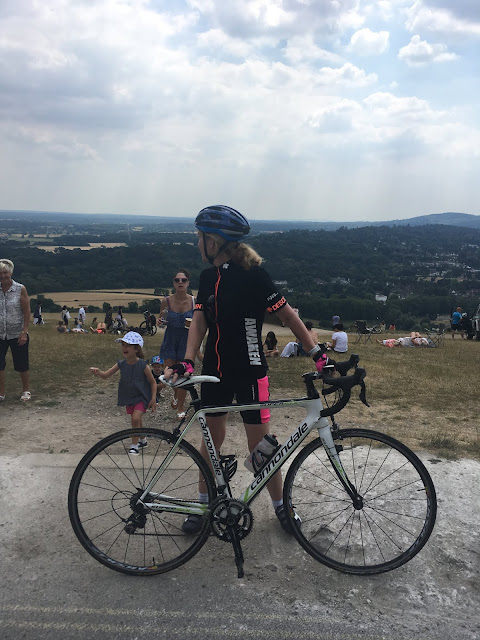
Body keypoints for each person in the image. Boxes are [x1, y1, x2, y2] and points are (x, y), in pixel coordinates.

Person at [163, 205, 327, 535]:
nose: (197, 244)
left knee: (261, 445)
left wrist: (318, 354)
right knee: (212, 440)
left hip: (252, 371)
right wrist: (188, 359)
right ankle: (203, 504)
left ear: (214, 242)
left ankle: (281, 507)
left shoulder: (256, 276)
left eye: (199, 238)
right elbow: (199, 321)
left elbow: (290, 318)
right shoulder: (208, 278)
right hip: (215, 371)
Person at [90, 331, 157, 455]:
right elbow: (106, 375)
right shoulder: (121, 364)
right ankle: (143, 440)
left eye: (128, 345)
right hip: (129, 397)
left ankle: (134, 445)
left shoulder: (143, 365)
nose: (124, 348)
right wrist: (99, 372)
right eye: (123, 345)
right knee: (137, 420)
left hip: (142, 397)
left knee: (135, 418)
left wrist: (153, 399)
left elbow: (153, 383)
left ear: (136, 349)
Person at [157, 269, 195, 419]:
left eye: (183, 280)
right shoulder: (166, 301)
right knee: (170, 374)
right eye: (177, 280)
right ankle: (176, 395)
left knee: (183, 376)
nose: (180, 282)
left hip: (187, 340)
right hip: (171, 338)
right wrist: (159, 322)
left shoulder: (194, 301)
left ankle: (181, 407)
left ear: (188, 283)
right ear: (173, 283)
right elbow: (160, 322)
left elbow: (200, 322)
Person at [0, 259, 31, 402]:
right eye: (0, 273)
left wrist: (24, 331)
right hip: (0, 333)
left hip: (17, 332)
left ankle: (26, 390)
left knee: (21, 363)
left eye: (5, 272)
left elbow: (26, 311)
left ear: (10, 273)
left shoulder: (20, 289)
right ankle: (1, 393)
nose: (2, 276)